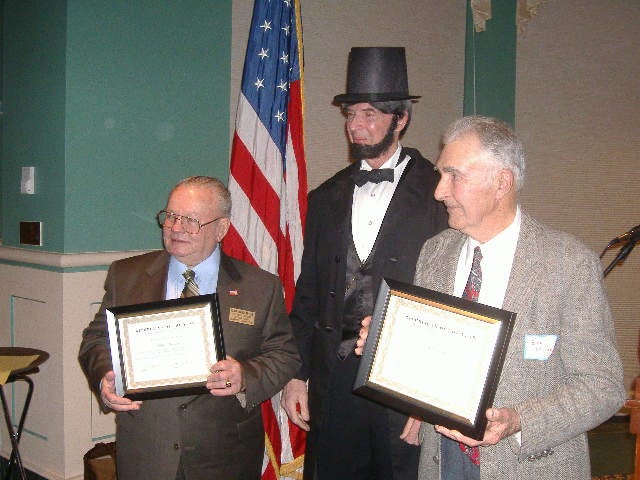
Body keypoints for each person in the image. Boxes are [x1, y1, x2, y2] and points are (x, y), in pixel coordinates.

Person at [356, 116, 625, 480]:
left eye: (455, 176)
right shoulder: (435, 252)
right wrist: (385, 342)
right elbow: (433, 356)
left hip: (529, 466)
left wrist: (518, 421)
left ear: (502, 183)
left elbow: (603, 386)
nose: (439, 191)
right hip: (442, 462)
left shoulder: (568, 264)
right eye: (441, 174)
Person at [281, 47, 448, 480]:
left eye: (370, 114)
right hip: (334, 381)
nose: (356, 125)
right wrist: (296, 376)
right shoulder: (325, 198)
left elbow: (454, 299)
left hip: (405, 385)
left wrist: (431, 399)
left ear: (402, 118)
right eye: (351, 114)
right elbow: (310, 293)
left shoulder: (441, 195)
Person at [79, 176, 301, 480]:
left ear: (221, 229)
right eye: (171, 216)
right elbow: (95, 340)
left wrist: (245, 376)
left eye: (191, 220)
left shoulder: (259, 287)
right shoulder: (126, 275)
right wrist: (105, 377)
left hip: (225, 454)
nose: (176, 228)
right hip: (147, 449)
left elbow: (284, 354)